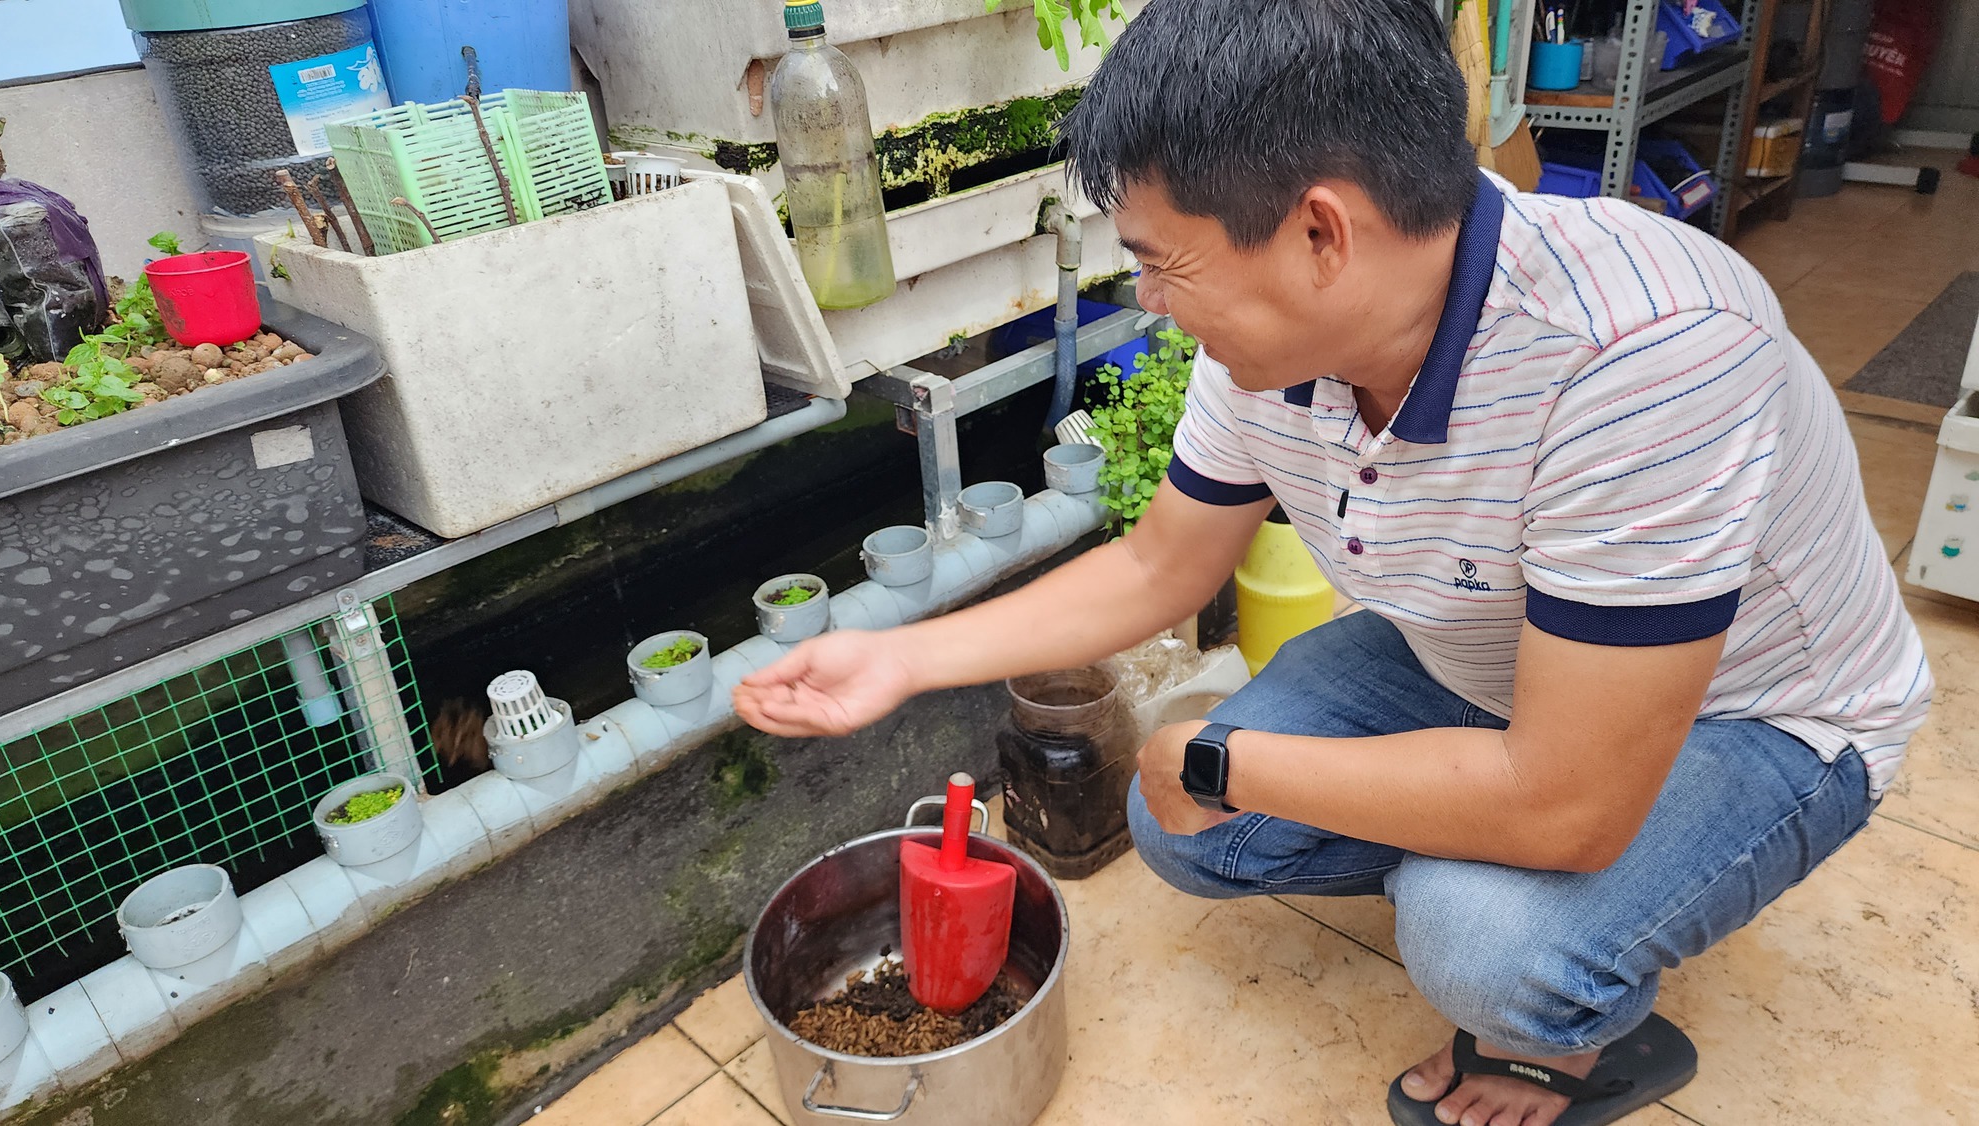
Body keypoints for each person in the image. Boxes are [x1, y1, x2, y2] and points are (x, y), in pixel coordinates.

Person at [733, 1, 1933, 1123]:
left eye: (1161, 259)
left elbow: (1569, 802)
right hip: (1490, 660)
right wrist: (894, 658)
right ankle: (1469, 821)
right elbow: (1159, 567)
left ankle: (1571, 1030)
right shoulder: (1275, 348)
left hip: (1756, 715)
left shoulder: (1642, 353)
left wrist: (1225, 754)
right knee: (1187, 829)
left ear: (1319, 229)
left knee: (1477, 940)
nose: (1151, 301)